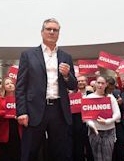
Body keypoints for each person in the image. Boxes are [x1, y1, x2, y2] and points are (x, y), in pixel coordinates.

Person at [15, 18, 77, 161]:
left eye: (55, 30)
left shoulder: (66, 57)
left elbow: (73, 86)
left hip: (59, 110)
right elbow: (20, 87)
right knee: (29, 152)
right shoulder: (28, 55)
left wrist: (67, 75)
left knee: (61, 153)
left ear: (58, 34)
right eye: (48, 29)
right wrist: (21, 111)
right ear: (42, 32)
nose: (51, 32)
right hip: (34, 110)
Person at [85, 76, 121, 161]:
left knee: (107, 157)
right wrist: (91, 124)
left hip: (109, 131)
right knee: (97, 157)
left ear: (106, 85)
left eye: (102, 83)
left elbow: (117, 114)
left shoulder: (110, 97)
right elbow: (86, 117)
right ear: (95, 84)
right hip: (94, 131)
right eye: (98, 83)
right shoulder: (88, 97)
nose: (100, 85)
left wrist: (108, 121)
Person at [0, 77, 22, 161]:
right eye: (7, 84)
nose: (10, 85)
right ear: (4, 87)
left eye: (11, 83)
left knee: (18, 155)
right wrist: (9, 113)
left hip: (18, 130)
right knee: (5, 156)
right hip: (4, 132)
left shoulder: (20, 98)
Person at [72, 75, 94, 161]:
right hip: (77, 126)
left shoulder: (92, 95)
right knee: (78, 148)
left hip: (91, 126)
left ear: (86, 82)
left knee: (91, 148)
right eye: (79, 81)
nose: (81, 82)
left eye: (83, 81)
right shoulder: (72, 95)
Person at [107, 76, 124, 161]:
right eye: (108, 88)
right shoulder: (100, 95)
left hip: (119, 126)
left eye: (112, 88)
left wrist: (121, 103)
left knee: (121, 148)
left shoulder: (118, 92)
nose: (110, 90)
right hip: (107, 126)